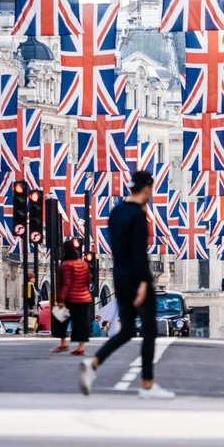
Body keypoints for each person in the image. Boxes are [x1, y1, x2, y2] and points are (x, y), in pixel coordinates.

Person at [79, 171, 175, 399]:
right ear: (146, 189)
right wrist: (143, 282)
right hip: (137, 278)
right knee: (150, 330)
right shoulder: (139, 215)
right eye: (150, 190)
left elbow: (120, 249)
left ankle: (93, 363)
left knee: (128, 330)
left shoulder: (116, 213)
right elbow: (139, 252)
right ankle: (148, 385)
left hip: (120, 277)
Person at [53, 239, 92, 355]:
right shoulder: (84, 264)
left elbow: (66, 283)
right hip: (85, 298)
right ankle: (81, 346)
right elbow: (88, 280)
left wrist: (61, 300)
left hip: (72, 298)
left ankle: (64, 342)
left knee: (60, 320)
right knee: (81, 322)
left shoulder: (66, 265)